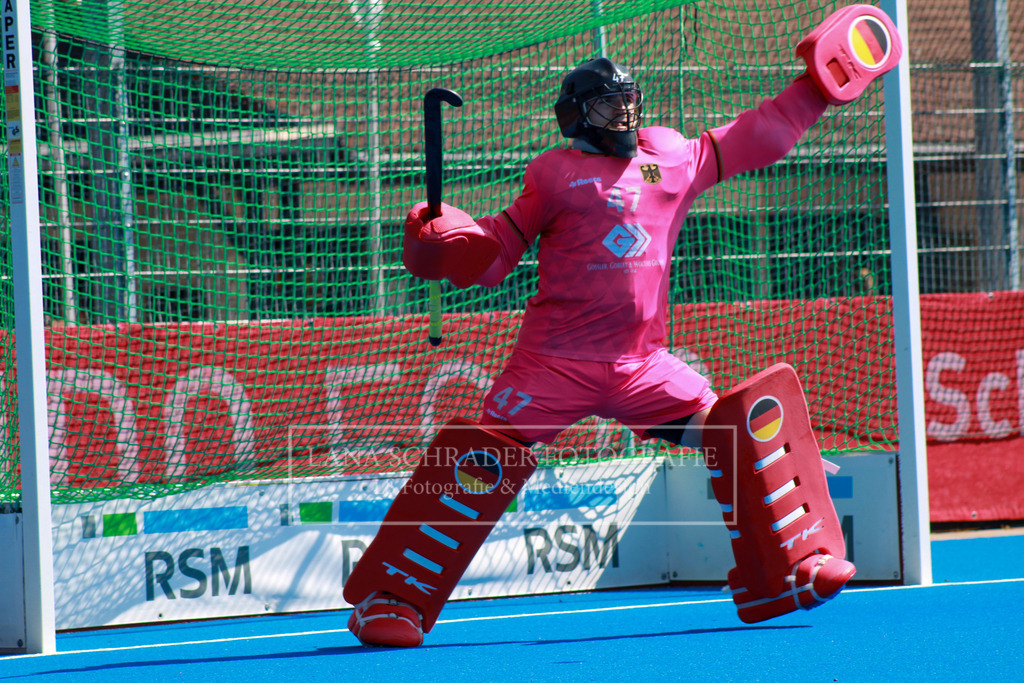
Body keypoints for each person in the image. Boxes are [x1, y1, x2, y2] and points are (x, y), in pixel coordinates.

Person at [344, 5, 901, 647]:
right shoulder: (554, 174)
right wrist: (445, 243)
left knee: (741, 432)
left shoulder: (670, 156)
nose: (626, 117)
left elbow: (759, 134)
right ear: (578, 116)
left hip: (644, 367)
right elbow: (497, 254)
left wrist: (815, 88)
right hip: (554, 365)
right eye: (611, 108)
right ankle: (391, 599)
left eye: (630, 102)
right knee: (476, 459)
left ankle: (786, 570)